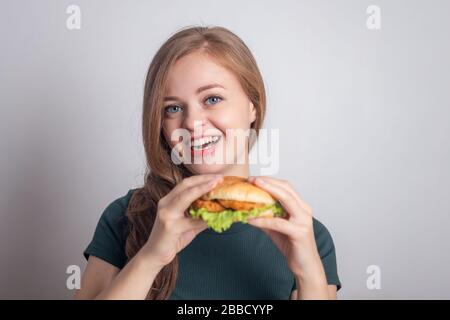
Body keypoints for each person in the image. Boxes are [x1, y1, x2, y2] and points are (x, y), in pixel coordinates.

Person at [74, 26, 341, 300]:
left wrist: (308, 270)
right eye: (173, 108)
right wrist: (151, 256)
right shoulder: (125, 217)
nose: (190, 122)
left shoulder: (306, 234)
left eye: (212, 99)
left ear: (253, 106)